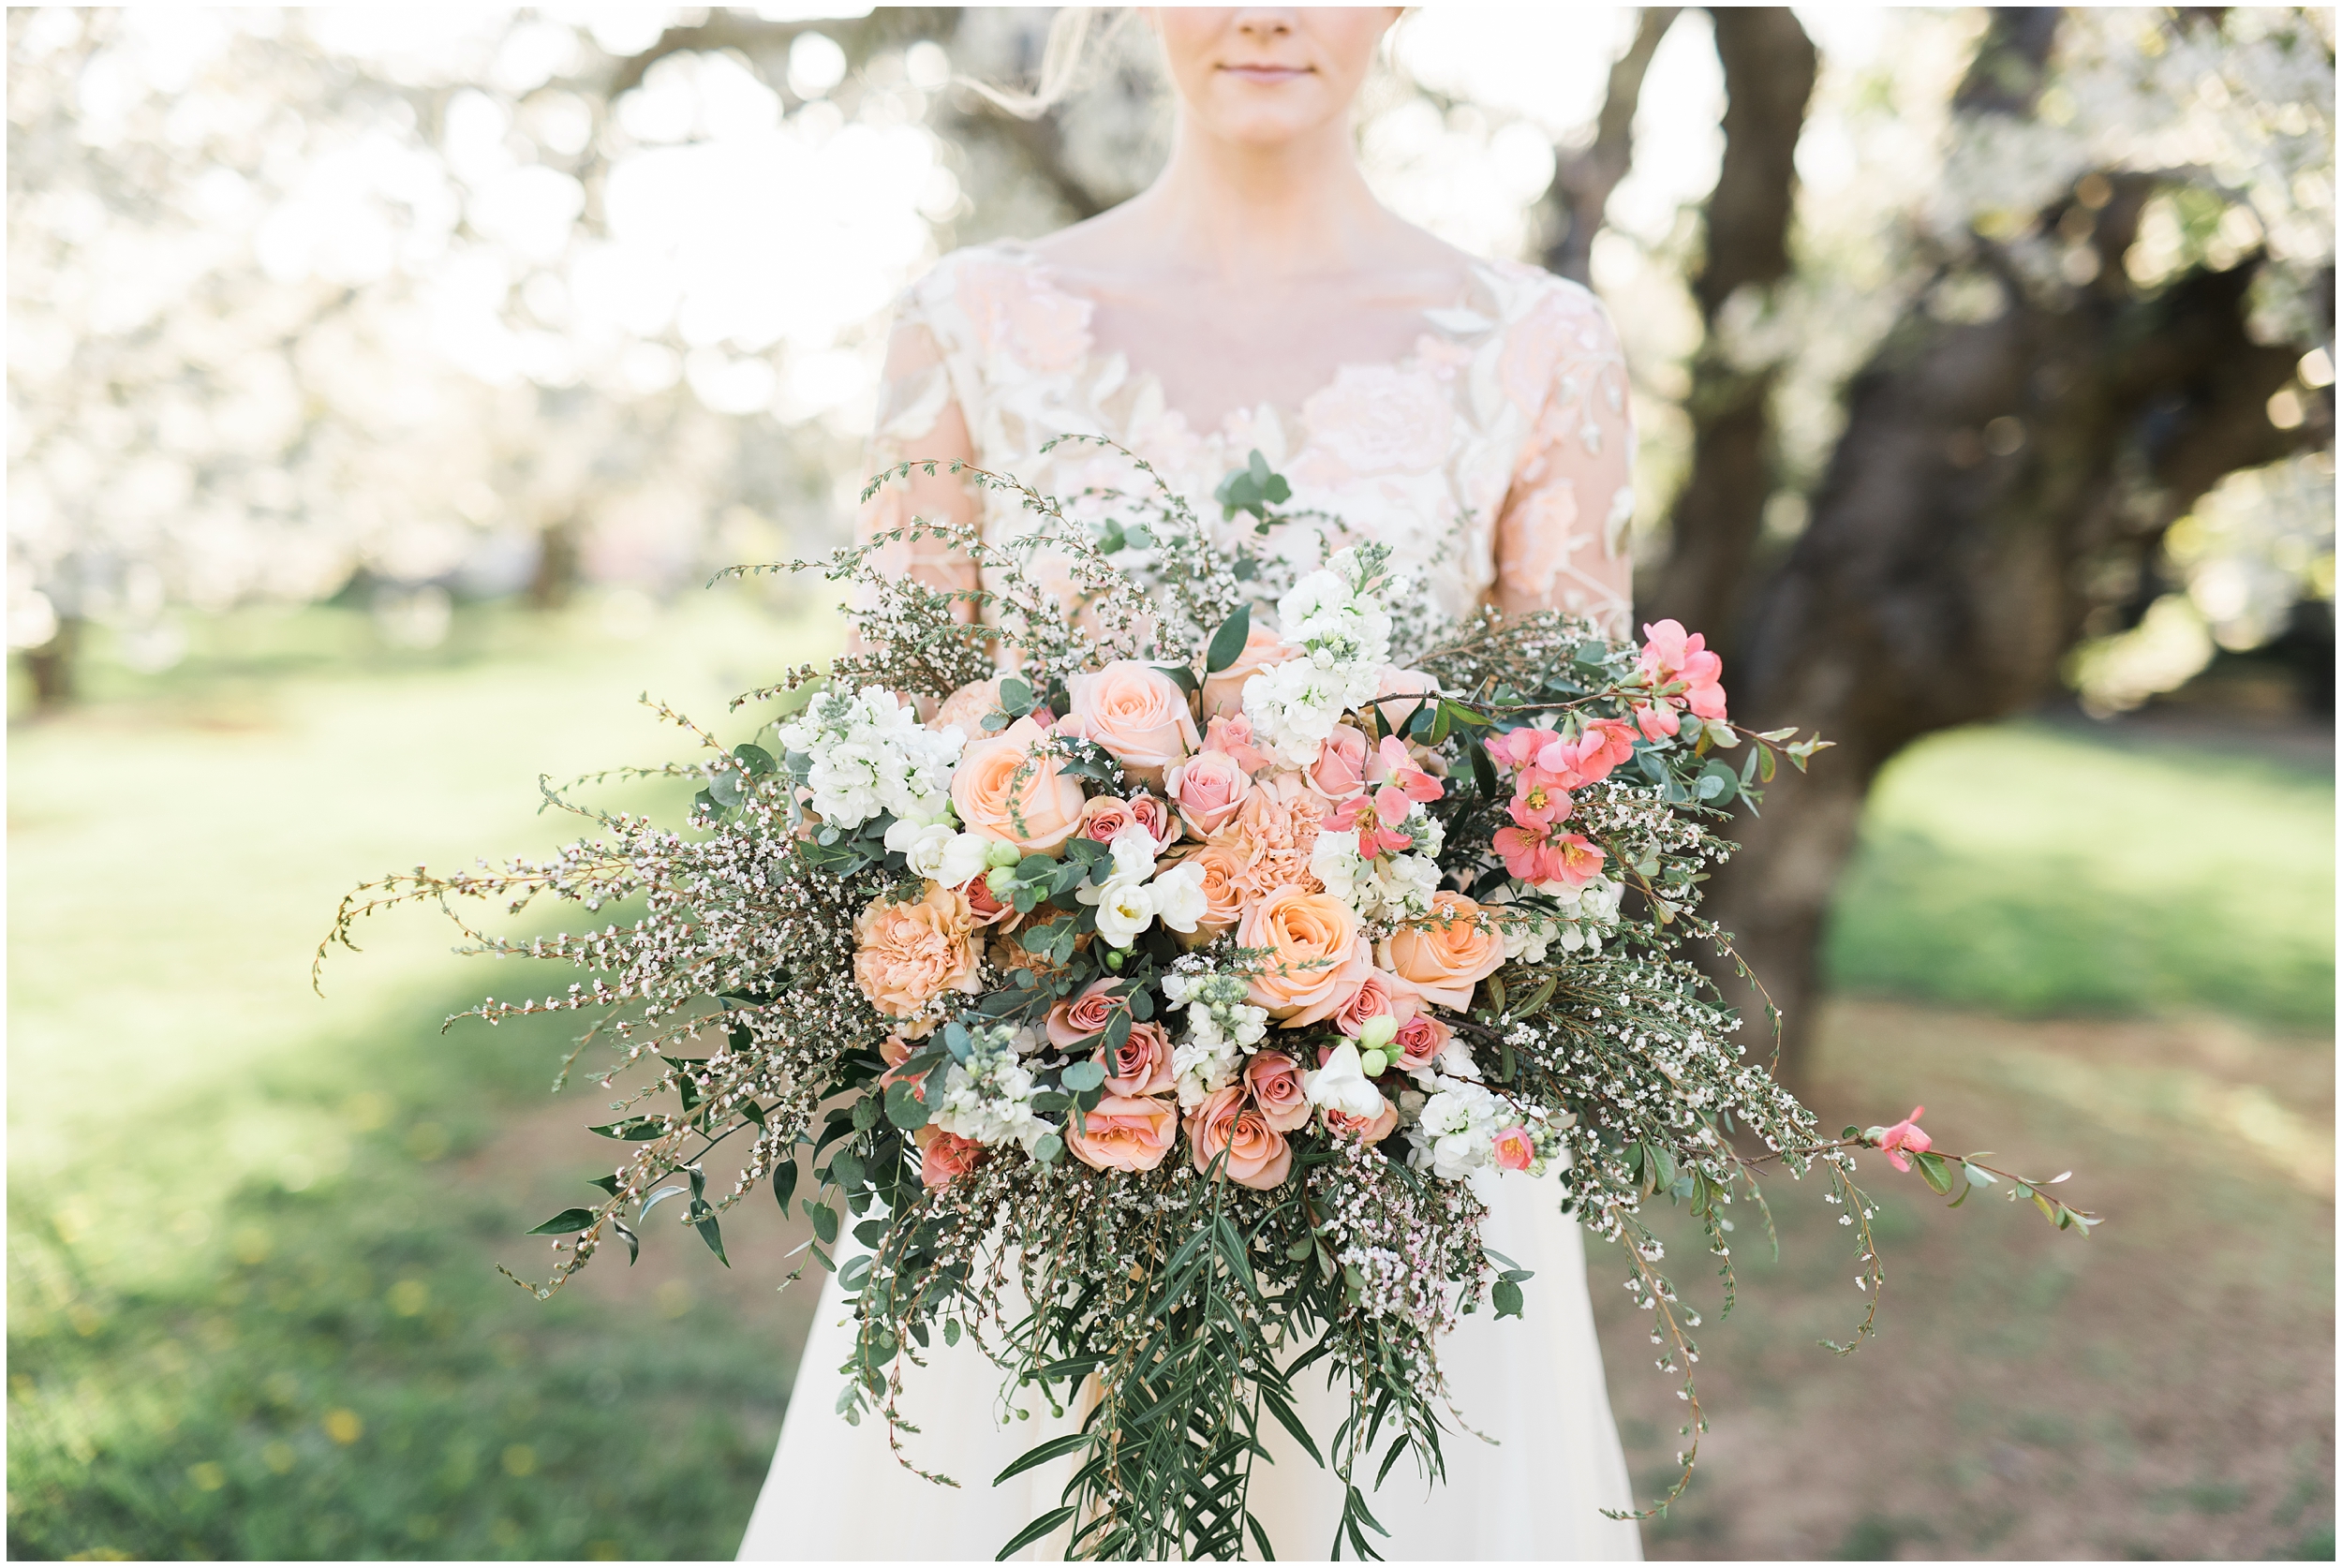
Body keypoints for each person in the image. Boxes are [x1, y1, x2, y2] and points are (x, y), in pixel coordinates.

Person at [737, 8, 1640, 1560]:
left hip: (1401, 1151)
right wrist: (1080, 968)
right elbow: (882, 744)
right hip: (1048, 1133)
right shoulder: (972, 317)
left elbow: (1574, 783)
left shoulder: (1537, 344)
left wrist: (1357, 969)